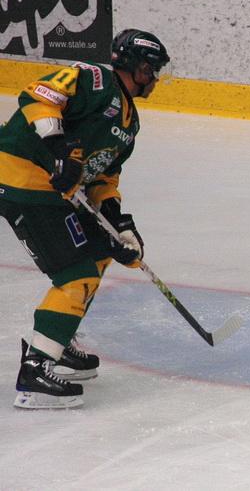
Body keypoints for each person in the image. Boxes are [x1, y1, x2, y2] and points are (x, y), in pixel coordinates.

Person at [0, 29, 170, 408]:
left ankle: (56, 341)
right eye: (151, 69)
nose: (155, 79)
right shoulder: (94, 78)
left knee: (102, 251)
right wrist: (57, 146)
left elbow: (103, 176)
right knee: (78, 274)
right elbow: (37, 96)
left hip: (54, 193)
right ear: (133, 64)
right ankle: (35, 372)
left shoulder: (130, 125)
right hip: (22, 179)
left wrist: (117, 220)